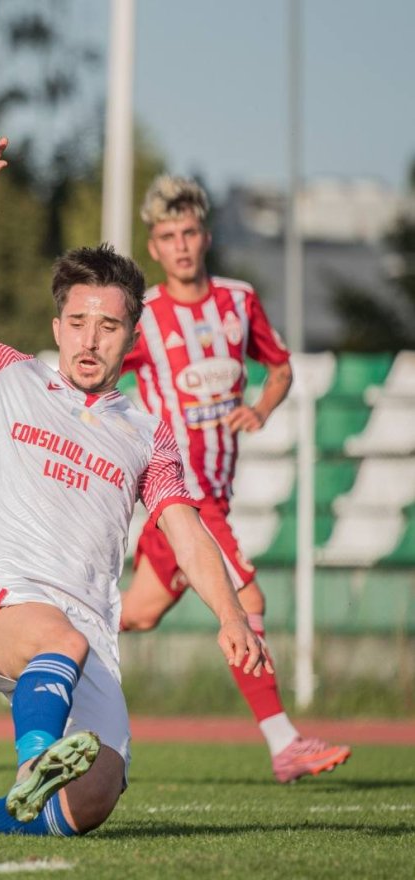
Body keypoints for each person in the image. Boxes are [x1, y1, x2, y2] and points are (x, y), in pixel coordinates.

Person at [0, 134, 266, 838]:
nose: (89, 339)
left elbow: (185, 532)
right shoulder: (5, 374)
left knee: (89, 803)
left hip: (87, 636)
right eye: (76, 322)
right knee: (57, 640)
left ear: (129, 336)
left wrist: (229, 616)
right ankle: (35, 758)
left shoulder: (146, 432)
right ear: (56, 325)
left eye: (107, 327)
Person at [118, 175, 351, 783]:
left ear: (206, 235)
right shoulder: (142, 318)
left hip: (213, 495)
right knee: (247, 602)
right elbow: (94, 370)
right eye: (168, 236)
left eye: (190, 232)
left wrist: (263, 408)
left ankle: (32, 630)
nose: (182, 245)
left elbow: (279, 367)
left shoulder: (239, 302)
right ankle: (284, 743)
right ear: (155, 246)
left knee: (136, 613)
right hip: (182, 493)